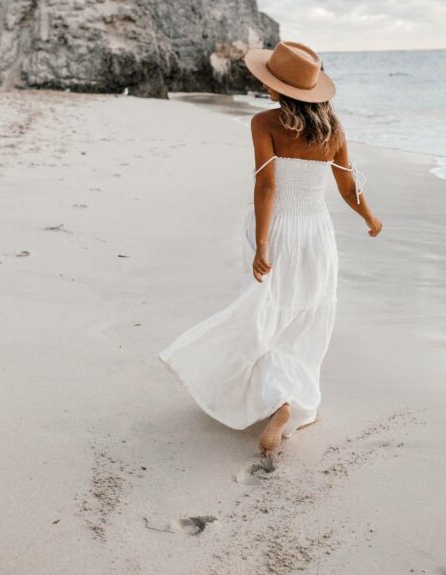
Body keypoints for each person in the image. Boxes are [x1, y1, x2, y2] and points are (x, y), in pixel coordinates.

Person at [158, 40, 382, 456]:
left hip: (277, 229)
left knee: (265, 311)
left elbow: (267, 184)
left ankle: (277, 399)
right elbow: (348, 185)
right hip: (317, 235)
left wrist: (262, 243)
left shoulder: (265, 123)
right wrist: (369, 217)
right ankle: (292, 400)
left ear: (278, 89)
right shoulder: (333, 129)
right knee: (306, 315)